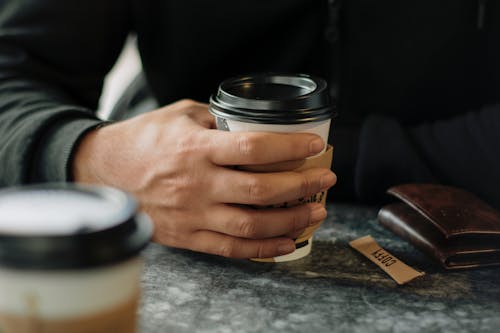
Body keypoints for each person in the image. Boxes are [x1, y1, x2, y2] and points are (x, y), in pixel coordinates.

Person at [1, 1, 499, 258]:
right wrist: (90, 156)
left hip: (466, 231)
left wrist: (320, 158)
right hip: (178, 216)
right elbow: (14, 70)